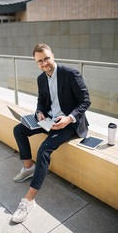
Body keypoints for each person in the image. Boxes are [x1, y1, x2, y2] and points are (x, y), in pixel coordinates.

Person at [11, 43, 91, 223]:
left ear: (52, 56)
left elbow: (85, 101)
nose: (44, 63)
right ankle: (28, 168)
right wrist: (39, 112)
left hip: (70, 124)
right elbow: (42, 100)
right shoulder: (41, 78)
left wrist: (69, 118)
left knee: (44, 149)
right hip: (49, 120)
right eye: (40, 61)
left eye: (46, 58)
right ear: (36, 63)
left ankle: (29, 201)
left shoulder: (71, 74)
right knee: (19, 130)